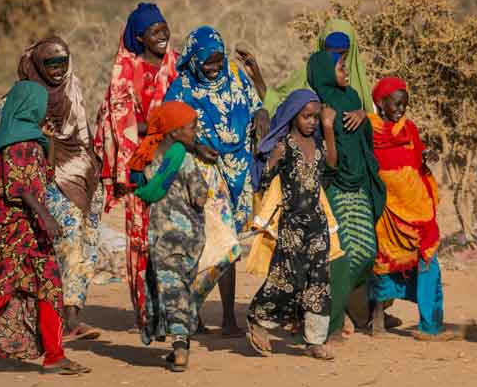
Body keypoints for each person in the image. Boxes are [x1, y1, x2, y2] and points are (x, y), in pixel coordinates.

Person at [0, 81, 90, 377]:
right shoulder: (17, 144)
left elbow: (44, 176)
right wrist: (47, 217)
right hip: (15, 230)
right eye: (42, 104)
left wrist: (49, 141)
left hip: (33, 231)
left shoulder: (30, 140)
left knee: (50, 289)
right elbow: (21, 188)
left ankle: (55, 355)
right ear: (31, 106)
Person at [0, 36, 104, 342]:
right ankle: (65, 320)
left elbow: (82, 130)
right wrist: (25, 144)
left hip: (84, 175)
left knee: (87, 246)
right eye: (51, 63)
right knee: (66, 241)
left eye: (63, 61)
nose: (58, 69)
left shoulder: (74, 85)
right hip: (49, 180)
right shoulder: (27, 93)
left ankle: (69, 315)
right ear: (37, 64)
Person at [165, 26, 270, 336]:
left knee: (231, 244)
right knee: (210, 243)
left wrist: (262, 114)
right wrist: (195, 145)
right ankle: (192, 313)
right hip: (205, 171)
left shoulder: (235, 75)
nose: (213, 68)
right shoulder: (182, 87)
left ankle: (227, 317)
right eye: (207, 62)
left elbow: (255, 105)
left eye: (217, 61)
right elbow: (167, 125)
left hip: (239, 170)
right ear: (194, 60)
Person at [92, 2, 178, 337]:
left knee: (175, 237)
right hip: (141, 164)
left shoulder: (176, 64)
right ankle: (146, 313)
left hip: (174, 160)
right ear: (140, 37)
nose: (163, 36)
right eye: (155, 32)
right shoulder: (127, 71)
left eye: (164, 28)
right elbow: (119, 124)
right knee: (142, 240)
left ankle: (177, 313)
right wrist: (144, 155)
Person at [246, 90, 339, 360]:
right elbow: (263, 181)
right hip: (292, 225)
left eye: (315, 117)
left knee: (319, 281)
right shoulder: (284, 146)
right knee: (288, 278)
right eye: (306, 116)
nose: (311, 122)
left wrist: (330, 129)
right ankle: (259, 319)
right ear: (293, 116)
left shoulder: (320, 144)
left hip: (317, 224)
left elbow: (332, 165)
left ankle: (315, 339)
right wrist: (272, 160)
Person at [307, 49, 386, 337]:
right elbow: (327, 161)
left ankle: (334, 305)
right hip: (335, 186)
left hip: (359, 182)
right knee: (343, 255)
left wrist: (363, 115)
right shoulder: (315, 104)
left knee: (366, 251)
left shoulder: (352, 97)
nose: (346, 71)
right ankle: (332, 315)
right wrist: (328, 127)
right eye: (341, 67)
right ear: (327, 71)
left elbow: (365, 141)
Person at [367, 77, 449, 339]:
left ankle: (430, 325)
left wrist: (427, 156)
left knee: (428, 259)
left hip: (417, 209)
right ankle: (376, 319)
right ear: (380, 103)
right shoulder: (368, 129)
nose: (401, 110)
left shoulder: (409, 129)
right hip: (386, 208)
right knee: (383, 261)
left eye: (405, 105)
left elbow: (417, 159)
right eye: (396, 104)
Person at [129, 101, 209, 371]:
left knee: (169, 289)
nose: (196, 132)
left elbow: (137, 188)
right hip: (188, 237)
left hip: (161, 237)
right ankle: (180, 347)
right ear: (174, 132)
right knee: (180, 289)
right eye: (192, 127)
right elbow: (199, 197)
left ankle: (177, 343)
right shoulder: (183, 158)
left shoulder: (145, 158)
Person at [265, 19, 374, 115]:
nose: (336, 59)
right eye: (330, 53)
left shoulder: (359, 81)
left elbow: (371, 118)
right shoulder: (307, 74)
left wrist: (362, 114)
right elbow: (279, 102)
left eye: (342, 53)